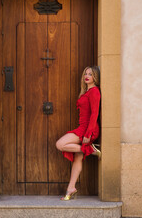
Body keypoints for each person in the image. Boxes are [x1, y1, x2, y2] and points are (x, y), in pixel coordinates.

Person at [55, 66, 101, 201]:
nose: (87, 76)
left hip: (87, 130)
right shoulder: (86, 91)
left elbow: (95, 114)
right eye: (85, 74)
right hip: (83, 128)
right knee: (77, 158)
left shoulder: (94, 91)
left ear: (95, 77)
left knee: (60, 144)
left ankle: (91, 150)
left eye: (91, 74)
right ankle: (71, 188)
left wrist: (89, 133)